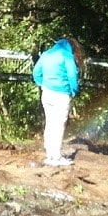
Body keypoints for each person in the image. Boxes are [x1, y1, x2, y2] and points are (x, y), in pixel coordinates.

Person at [32, 37, 83, 166]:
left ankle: (50, 154)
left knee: (50, 122)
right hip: (62, 94)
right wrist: (74, 90)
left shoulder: (46, 54)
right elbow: (72, 75)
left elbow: (36, 72)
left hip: (47, 93)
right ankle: (56, 157)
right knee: (59, 124)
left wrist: (41, 84)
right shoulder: (66, 55)